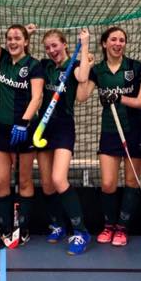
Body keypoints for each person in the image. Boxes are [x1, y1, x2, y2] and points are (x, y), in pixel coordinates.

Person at [0, 0, 43, 247]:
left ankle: (22, 229)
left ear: (26, 41)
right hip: (1, 130)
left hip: (25, 129)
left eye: (17, 38)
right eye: (9, 38)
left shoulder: (34, 65)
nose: (12, 42)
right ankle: (6, 227)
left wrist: (24, 123)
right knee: (0, 181)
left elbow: (37, 97)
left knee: (24, 181)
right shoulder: (3, 59)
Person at [78, 26, 141, 247]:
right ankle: (109, 225)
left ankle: (122, 228)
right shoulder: (98, 70)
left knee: (131, 181)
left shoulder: (136, 67)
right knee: (108, 183)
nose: (118, 44)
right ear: (104, 43)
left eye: (122, 40)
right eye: (113, 40)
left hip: (134, 130)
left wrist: (118, 97)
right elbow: (81, 96)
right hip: (109, 132)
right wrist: (87, 65)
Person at [34, 28, 93, 255]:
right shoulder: (45, 66)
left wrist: (85, 45)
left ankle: (81, 231)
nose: (51, 50)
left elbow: (83, 78)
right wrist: (26, 36)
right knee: (47, 184)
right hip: (43, 126)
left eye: (55, 45)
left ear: (65, 44)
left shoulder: (75, 65)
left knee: (59, 179)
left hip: (64, 127)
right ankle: (58, 224)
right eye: (47, 47)